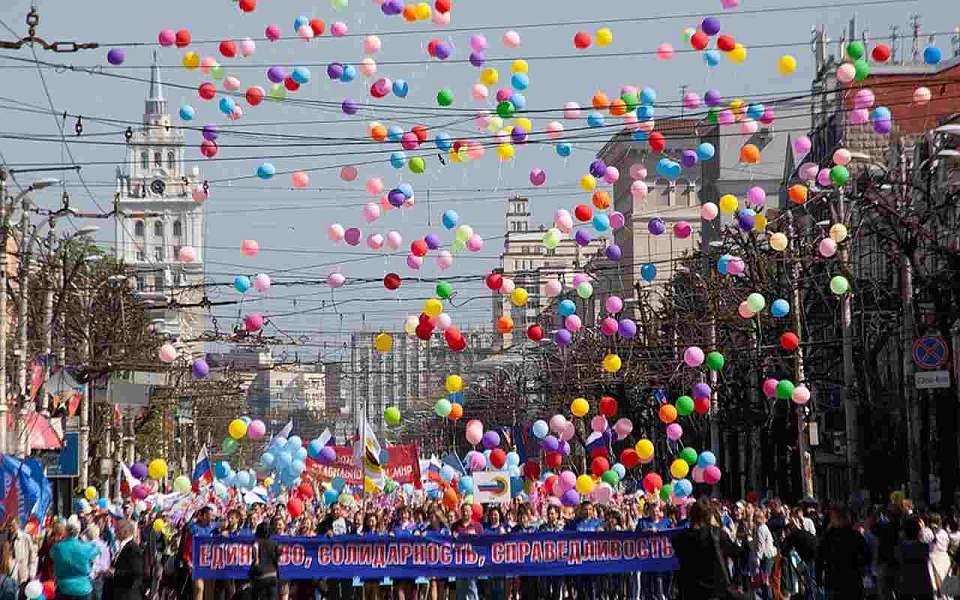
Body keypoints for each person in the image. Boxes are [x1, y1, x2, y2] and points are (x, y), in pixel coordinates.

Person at [671, 496, 741, 600]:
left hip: (690, 591)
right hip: (715, 592)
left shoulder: (680, 538)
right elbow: (737, 553)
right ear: (709, 515)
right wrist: (735, 581)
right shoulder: (717, 535)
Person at [817, 506, 869, 599]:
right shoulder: (855, 535)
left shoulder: (828, 537)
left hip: (834, 581)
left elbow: (819, 558)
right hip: (852, 580)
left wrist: (819, 579)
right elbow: (867, 556)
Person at [51, 518, 100, 600]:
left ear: (65, 532)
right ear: (78, 532)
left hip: (64, 588)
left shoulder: (57, 548)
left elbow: (52, 555)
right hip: (83, 588)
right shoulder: (85, 547)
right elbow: (96, 549)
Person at [895, 516, 935, 600]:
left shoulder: (901, 547)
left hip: (907, 582)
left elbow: (898, 560)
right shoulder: (924, 546)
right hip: (923, 582)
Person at [451, 504, 482, 600]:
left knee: (472, 588)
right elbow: (451, 542)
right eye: (463, 511)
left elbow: (483, 543)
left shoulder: (477, 526)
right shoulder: (455, 526)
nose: (465, 513)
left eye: (467, 511)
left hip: (472, 563)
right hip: (459, 563)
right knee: (460, 590)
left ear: (471, 512)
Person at [109, 520, 144, 600]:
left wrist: (115, 573)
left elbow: (136, 574)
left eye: (116, 530)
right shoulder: (123, 546)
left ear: (124, 532)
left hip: (128, 594)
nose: (114, 532)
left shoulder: (133, 549)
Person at [250, 522, 280, 600]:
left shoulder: (256, 542)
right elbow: (277, 559)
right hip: (273, 574)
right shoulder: (274, 543)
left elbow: (255, 559)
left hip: (260, 575)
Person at [83, 526, 110, 600]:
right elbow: (107, 562)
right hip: (100, 575)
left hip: (91, 576)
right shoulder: (103, 545)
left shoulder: (87, 546)